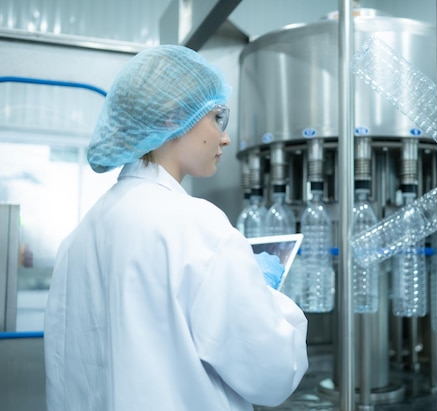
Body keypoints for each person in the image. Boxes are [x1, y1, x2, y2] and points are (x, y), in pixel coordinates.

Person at [44, 45, 308, 411]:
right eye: (217, 118)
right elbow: (274, 373)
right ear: (172, 119)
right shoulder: (195, 226)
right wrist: (265, 295)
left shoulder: (76, 240)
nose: (225, 137)